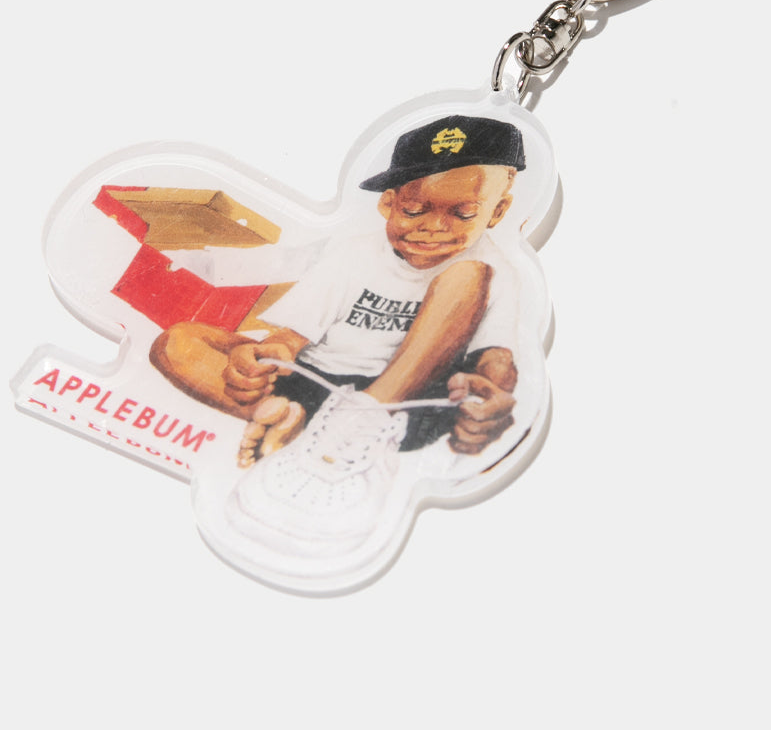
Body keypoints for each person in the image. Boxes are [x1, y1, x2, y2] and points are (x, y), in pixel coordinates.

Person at [150, 114, 526, 469]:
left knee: (468, 275)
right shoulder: (355, 253)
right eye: (413, 210)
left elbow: (496, 357)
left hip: (401, 407)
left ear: (497, 212)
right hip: (314, 385)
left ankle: (361, 421)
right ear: (388, 204)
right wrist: (262, 362)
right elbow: (291, 338)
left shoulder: (490, 270)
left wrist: (489, 392)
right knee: (178, 342)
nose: (434, 227)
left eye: (462, 214)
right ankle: (284, 417)